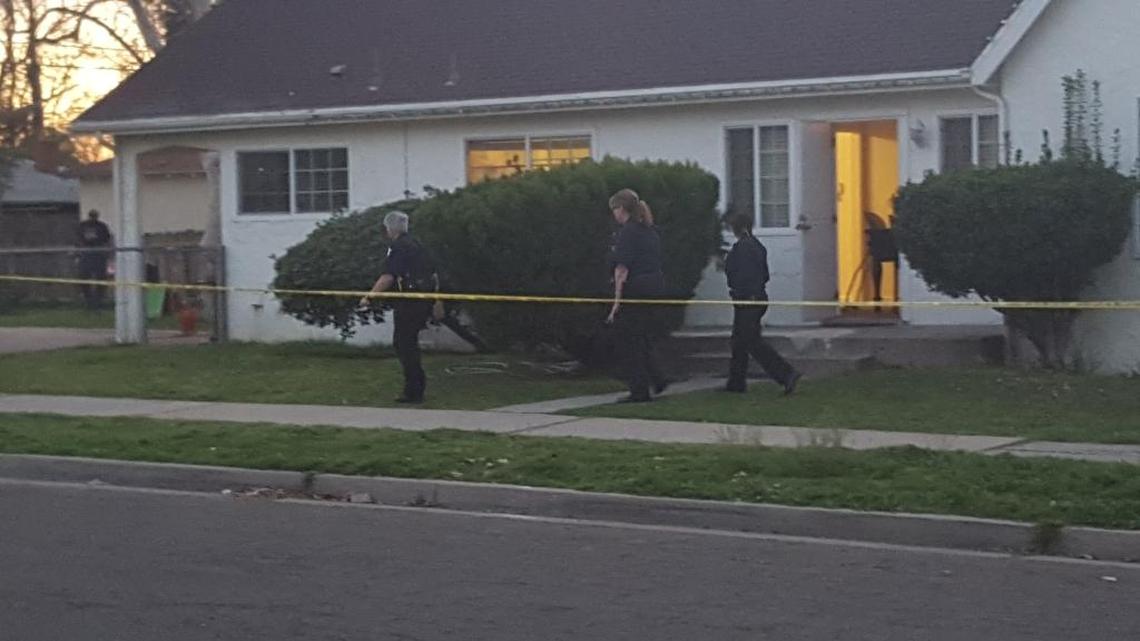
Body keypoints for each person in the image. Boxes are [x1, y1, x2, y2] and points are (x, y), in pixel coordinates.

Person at [360, 211, 440, 404]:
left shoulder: (398, 247)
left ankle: (413, 390)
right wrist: (437, 301)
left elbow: (388, 276)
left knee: (404, 343)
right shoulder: (418, 244)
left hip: (409, 300)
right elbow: (434, 274)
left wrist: (369, 297)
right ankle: (415, 387)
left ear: (389, 229)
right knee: (408, 342)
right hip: (424, 298)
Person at [723, 210, 801, 395]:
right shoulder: (758, 246)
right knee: (739, 341)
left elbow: (739, 275)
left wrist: (740, 290)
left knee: (751, 341)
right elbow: (764, 275)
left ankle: (786, 373)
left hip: (747, 298)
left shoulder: (742, 248)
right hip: (756, 297)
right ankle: (736, 382)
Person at [606, 189, 670, 403]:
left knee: (629, 341)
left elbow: (621, 270)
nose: (613, 214)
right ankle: (658, 377)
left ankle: (639, 389)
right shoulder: (649, 231)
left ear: (621, 209)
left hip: (636, 289)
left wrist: (616, 303)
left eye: (614, 209)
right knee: (642, 337)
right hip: (654, 287)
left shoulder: (627, 233)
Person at [76, 210, 112, 309]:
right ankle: (89, 301)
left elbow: (106, 239)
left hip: (98, 254)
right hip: (86, 254)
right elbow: (78, 238)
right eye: (92, 216)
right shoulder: (83, 226)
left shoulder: (102, 226)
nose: (93, 218)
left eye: (94, 216)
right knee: (84, 277)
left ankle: (98, 300)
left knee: (101, 278)